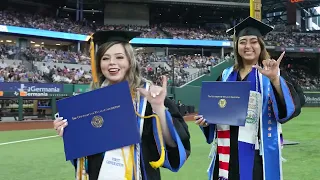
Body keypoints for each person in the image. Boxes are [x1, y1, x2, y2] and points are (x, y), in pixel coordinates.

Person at [53, 30, 191, 180]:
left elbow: (173, 145)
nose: (112, 63)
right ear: (99, 64)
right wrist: (68, 131)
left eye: (119, 57)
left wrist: (158, 108)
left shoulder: (149, 96)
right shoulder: (89, 102)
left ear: (130, 61)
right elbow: (84, 154)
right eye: (105, 58)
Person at [195, 17, 303, 180]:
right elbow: (216, 110)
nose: (248, 46)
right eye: (243, 42)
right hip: (226, 154)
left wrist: (275, 80)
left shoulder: (272, 73)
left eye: (253, 41)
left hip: (257, 156)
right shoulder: (225, 75)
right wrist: (207, 120)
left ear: (261, 45)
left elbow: (289, 109)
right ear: (237, 46)